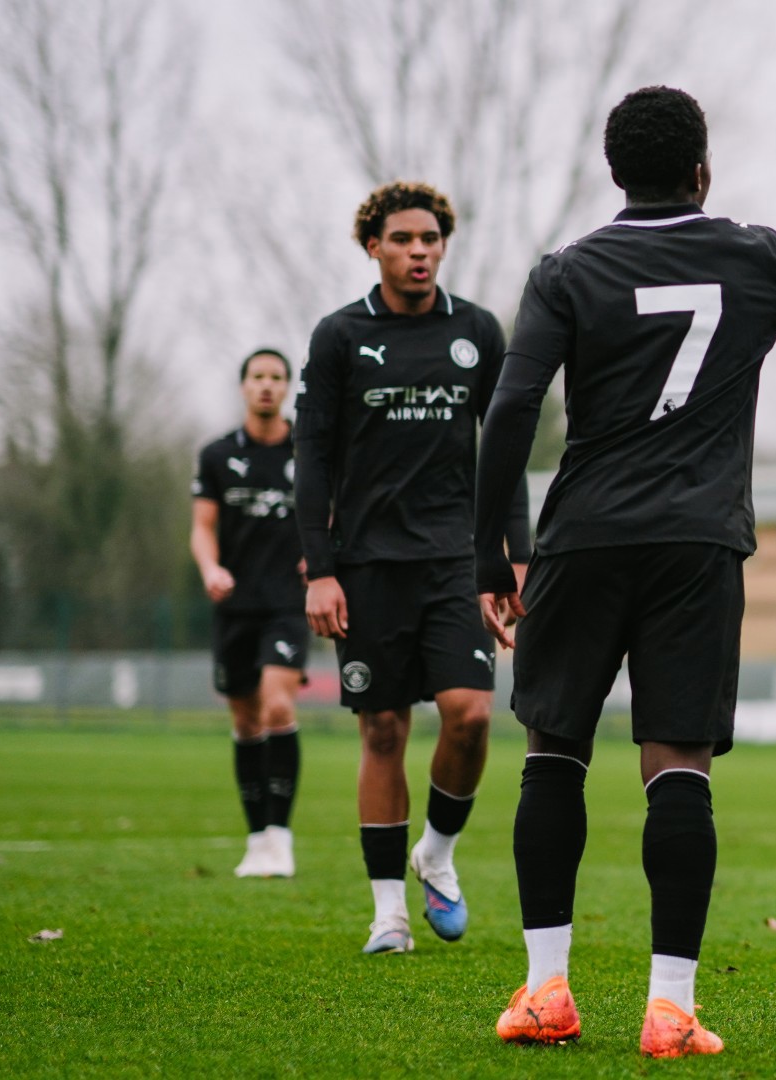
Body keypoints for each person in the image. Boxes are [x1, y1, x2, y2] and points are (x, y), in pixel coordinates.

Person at [469, 86, 776, 1057]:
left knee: (554, 754)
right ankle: (669, 1009)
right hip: (699, 544)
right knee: (677, 768)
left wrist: (491, 553)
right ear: (703, 170)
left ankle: (547, 992)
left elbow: (510, 412)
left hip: (581, 539)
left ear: (616, 172)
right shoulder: (753, 255)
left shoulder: (567, 271)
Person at [294, 181, 531, 955]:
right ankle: (388, 914)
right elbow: (311, 460)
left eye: (431, 239)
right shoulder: (339, 337)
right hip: (365, 569)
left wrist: (511, 558)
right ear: (374, 247)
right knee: (385, 730)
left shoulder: (476, 332)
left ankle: (437, 851)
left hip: (454, 564)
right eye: (402, 239)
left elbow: (504, 456)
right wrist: (319, 570)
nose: (419, 251)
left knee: (468, 715)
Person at [190, 348, 306, 878]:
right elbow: (203, 527)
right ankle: (256, 838)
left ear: (287, 387)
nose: (267, 385)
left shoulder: (308, 449)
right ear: (243, 386)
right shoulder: (216, 455)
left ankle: (281, 838)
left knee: (278, 708)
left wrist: (323, 558)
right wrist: (210, 568)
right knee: (244, 721)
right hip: (235, 605)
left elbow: (332, 513)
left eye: (276, 377)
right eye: (258, 377)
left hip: (288, 602)